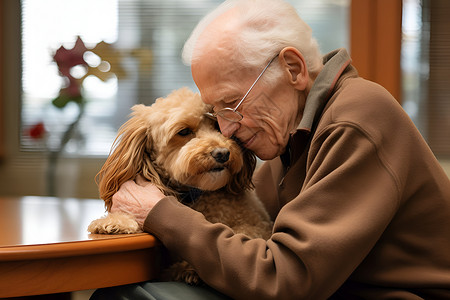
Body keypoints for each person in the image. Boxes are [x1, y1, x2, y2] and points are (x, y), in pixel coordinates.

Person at [90, 0, 450, 299]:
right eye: (218, 114)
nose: (227, 130)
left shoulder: (354, 120)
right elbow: (253, 236)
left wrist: (160, 213)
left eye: (233, 103)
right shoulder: (290, 131)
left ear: (292, 69)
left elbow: (285, 278)